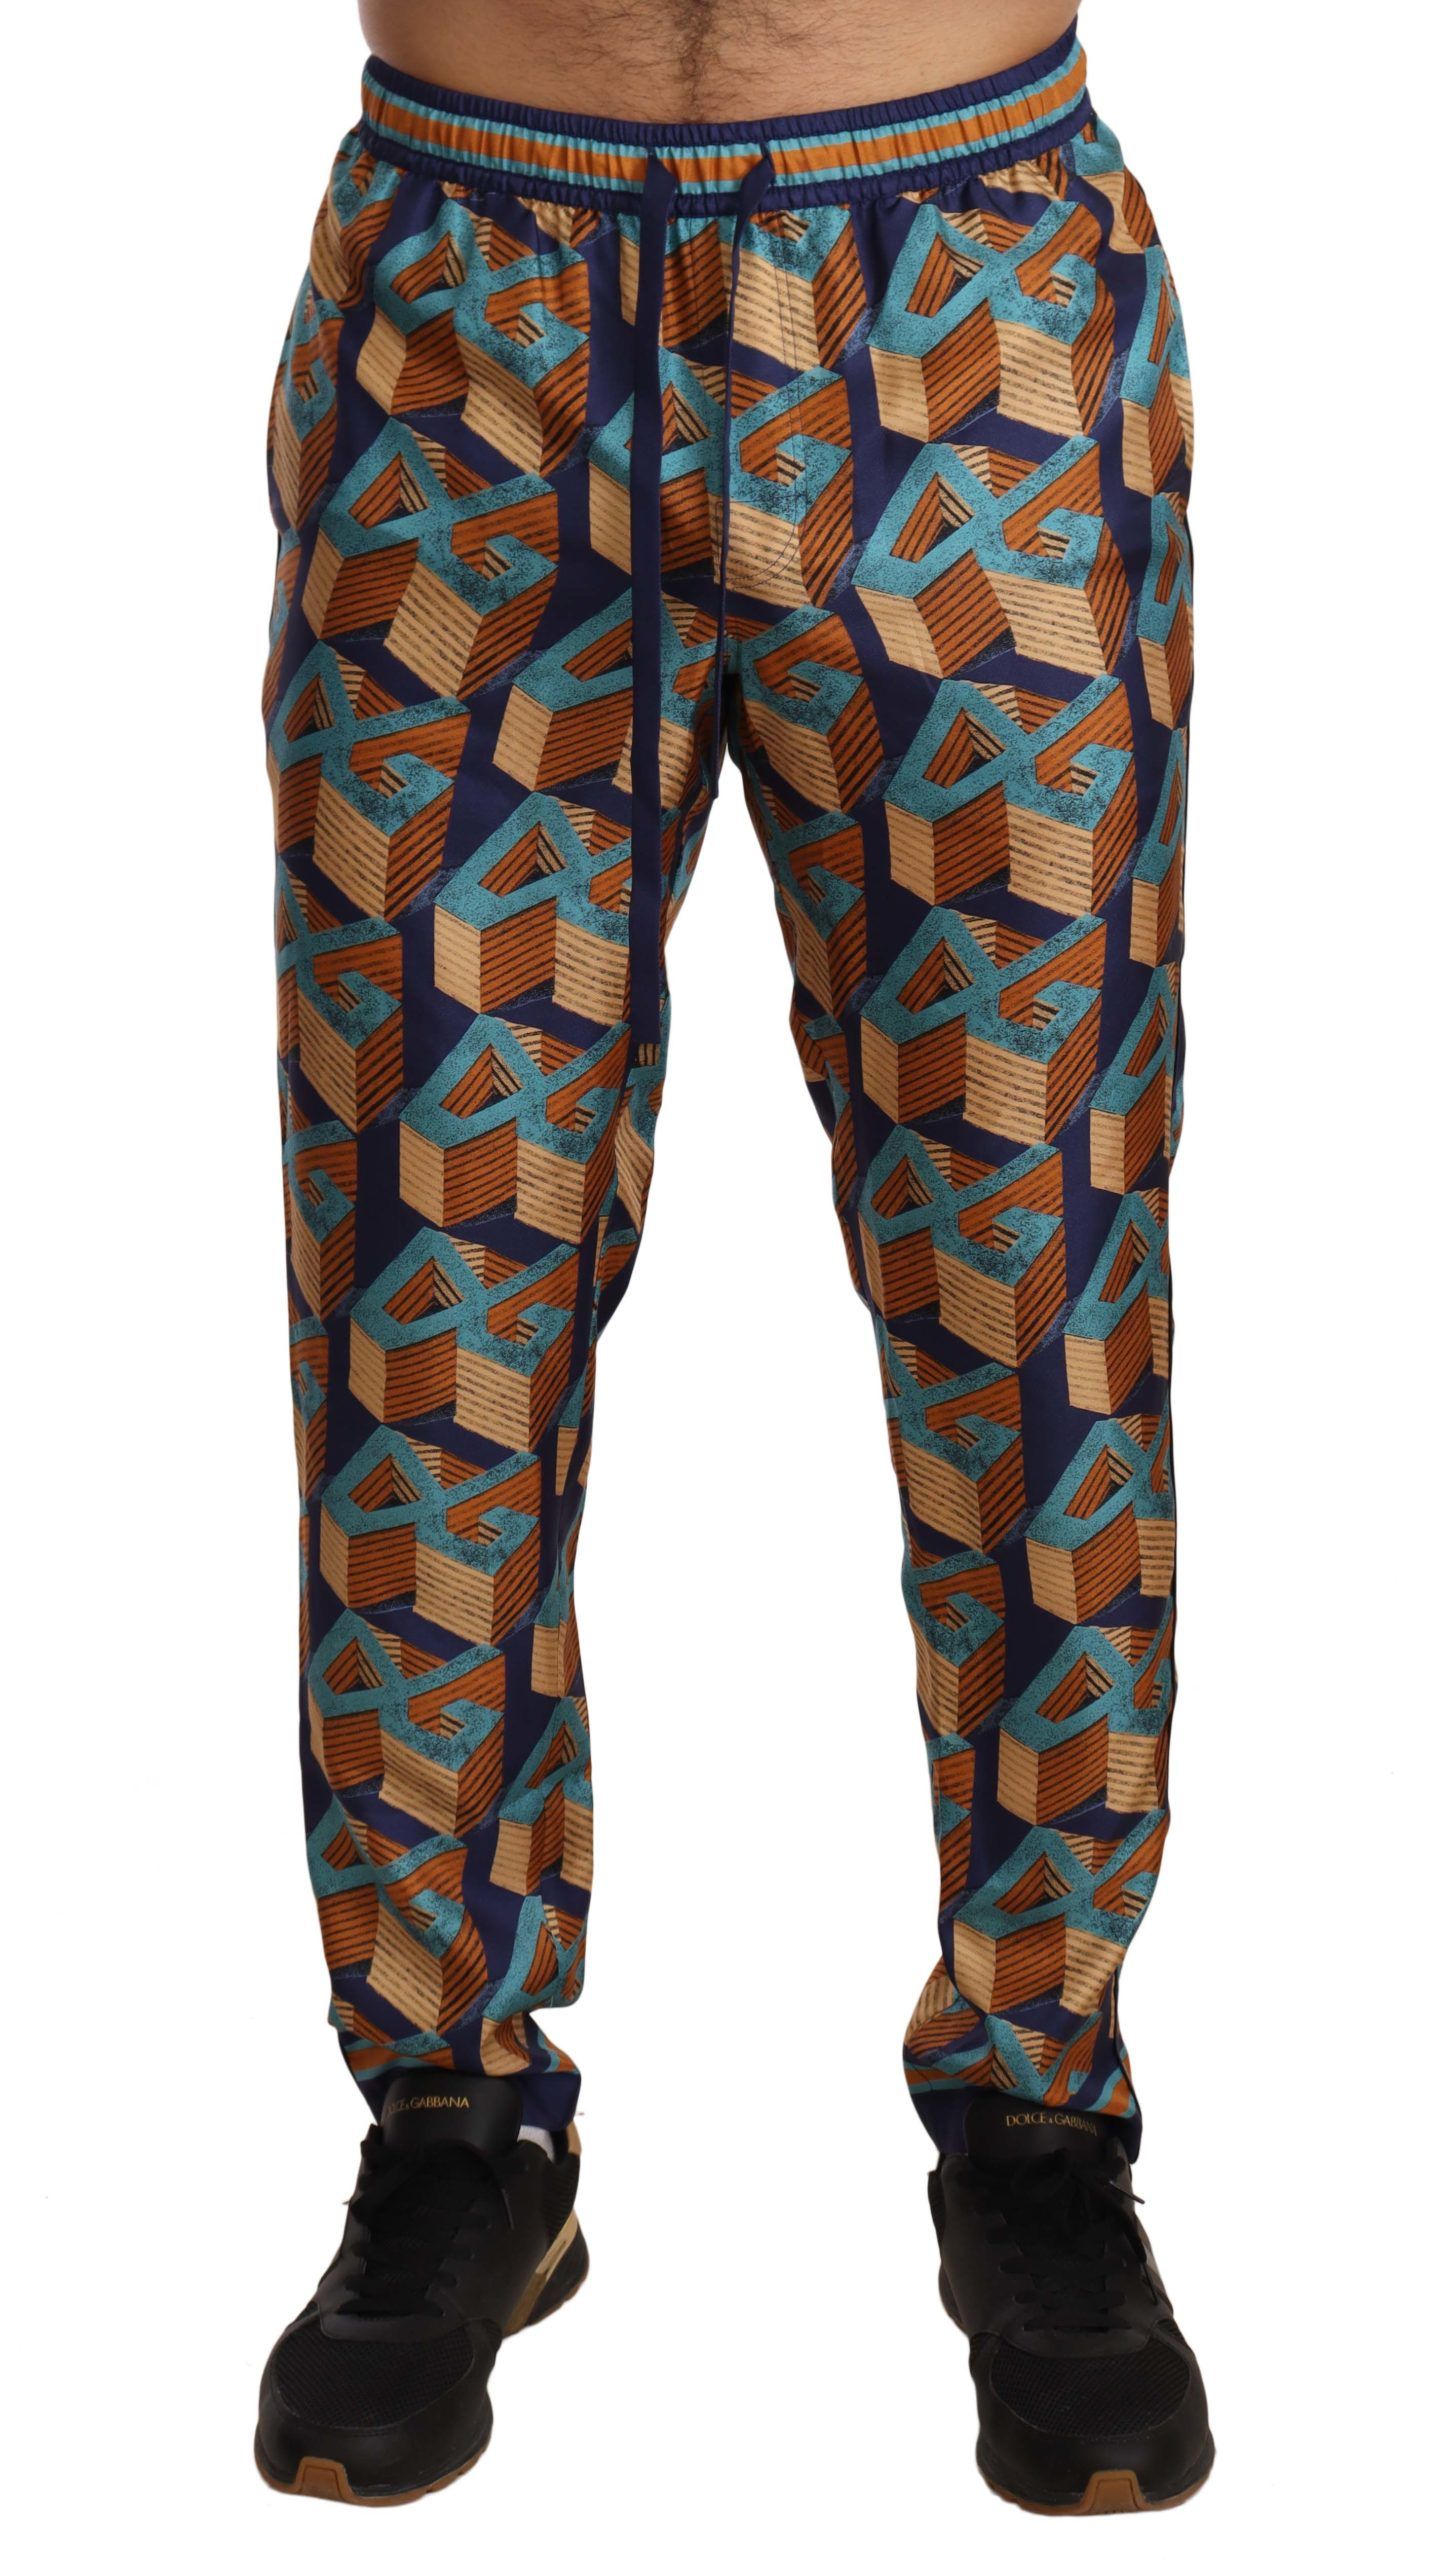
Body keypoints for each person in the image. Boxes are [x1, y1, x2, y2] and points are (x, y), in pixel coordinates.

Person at [256, 0, 1208, 2513]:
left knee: (1038, 1274)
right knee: (422, 1276)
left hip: (969, 308)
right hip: (465, 308)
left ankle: (1040, 2105)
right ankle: (453, 2111)